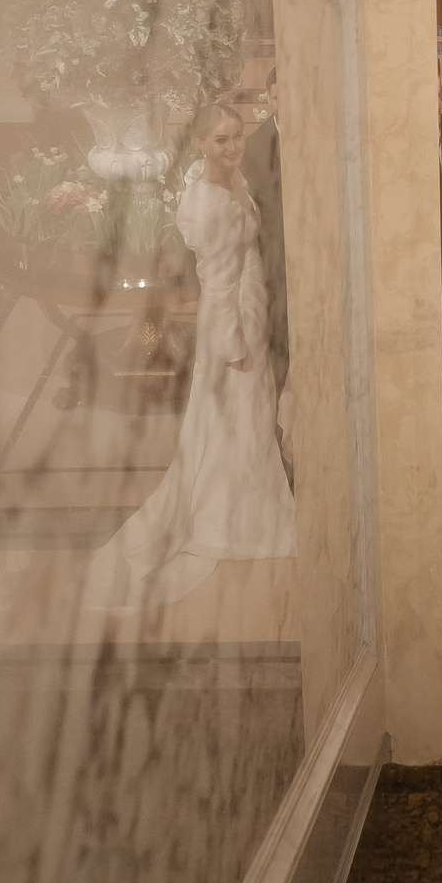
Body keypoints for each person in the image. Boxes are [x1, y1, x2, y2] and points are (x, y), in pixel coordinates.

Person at [84, 100, 295, 610]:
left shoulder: (235, 180)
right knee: (235, 419)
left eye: (236, 135)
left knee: (252, 419)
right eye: (220, 139)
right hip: (231, 324)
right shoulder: (204, 202)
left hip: (253, 304)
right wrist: (235, 346)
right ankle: (231, 522)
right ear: (200, 143)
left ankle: (252, 503)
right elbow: (216, 287)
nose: (232, 146)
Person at [240, 68, 287, 392]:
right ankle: (271, 421)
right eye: (276, 97)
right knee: (279, 342)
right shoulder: (254, 147)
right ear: (269, 99)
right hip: (276, 260)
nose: (282, 104)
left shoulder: (322, 138)